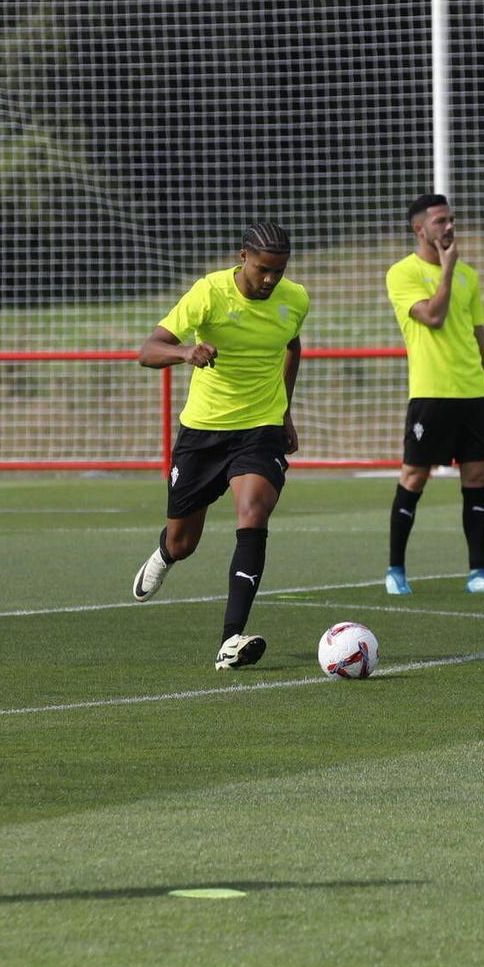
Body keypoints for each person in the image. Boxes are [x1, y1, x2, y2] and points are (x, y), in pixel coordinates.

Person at [130, 221, 308, 670]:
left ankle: (231, 640)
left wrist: (284, 411)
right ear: (242, 256)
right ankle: (166, 552)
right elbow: (149, 349)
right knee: (185, 539)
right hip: (204, 433)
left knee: (253, 513)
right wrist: (184, 353)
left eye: (279, 272)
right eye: (263, 270)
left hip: (260, 428)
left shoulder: (295, 299)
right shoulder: (208, 293)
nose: (271, 280)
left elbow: (292, 345)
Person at [381, 194, 484, 596]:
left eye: (451, 219)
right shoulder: (402, 274)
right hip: (431, 393)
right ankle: (396, 570)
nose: (449, 227)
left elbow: (479, 337)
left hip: (471, 392)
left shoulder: (470, 276)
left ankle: (478, 573)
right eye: (440, 221)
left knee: (476, 475)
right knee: (415, 477)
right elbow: (433, 317)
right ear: (419, 229)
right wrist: (448, 271)